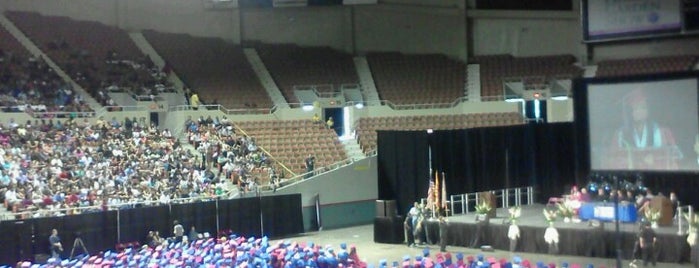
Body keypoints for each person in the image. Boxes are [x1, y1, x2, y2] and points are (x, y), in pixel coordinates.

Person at [608, 89, 681, 170]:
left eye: (643, 107)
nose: (640, 111)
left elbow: (674, 157)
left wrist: (654, 157)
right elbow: (613, 159)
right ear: (629, 112)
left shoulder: (661, 131)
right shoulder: (620, 134)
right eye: (636, 108)